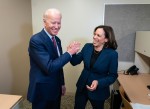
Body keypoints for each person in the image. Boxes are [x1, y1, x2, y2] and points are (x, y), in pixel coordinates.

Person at [27, 8, 80, 109]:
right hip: (42, 90)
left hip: (55, 88)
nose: (57, 26)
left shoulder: (57, 40)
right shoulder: (36, 40)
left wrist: (62, 83)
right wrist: (69, 53)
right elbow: (49, 66)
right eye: (53, 22)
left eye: (59, 23)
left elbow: (58, 64)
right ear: (44, 22)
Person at [70, 25, 118, 109]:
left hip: (99, 91)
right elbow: (74, 62)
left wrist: (98, 82)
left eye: (98, 35)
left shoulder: (112, 54)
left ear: (106, 39)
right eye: (94, 34)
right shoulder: (87, 47)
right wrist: (72, 52)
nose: (94, 37)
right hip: (82, 87)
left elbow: (113, 76)